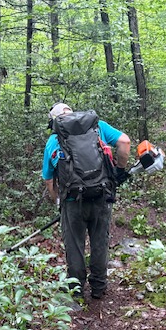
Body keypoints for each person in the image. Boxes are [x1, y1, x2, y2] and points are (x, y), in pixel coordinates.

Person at [41, 103, 131, 300]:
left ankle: (76, 290)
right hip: (101, 196)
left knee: (74, 246)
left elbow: (49, 180)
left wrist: (58, 201)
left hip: (72, 201)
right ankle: (99, 287)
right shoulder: (98, 128)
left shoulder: (53, 140)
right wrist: (119, 171)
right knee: (100, 242)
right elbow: (125, 142)